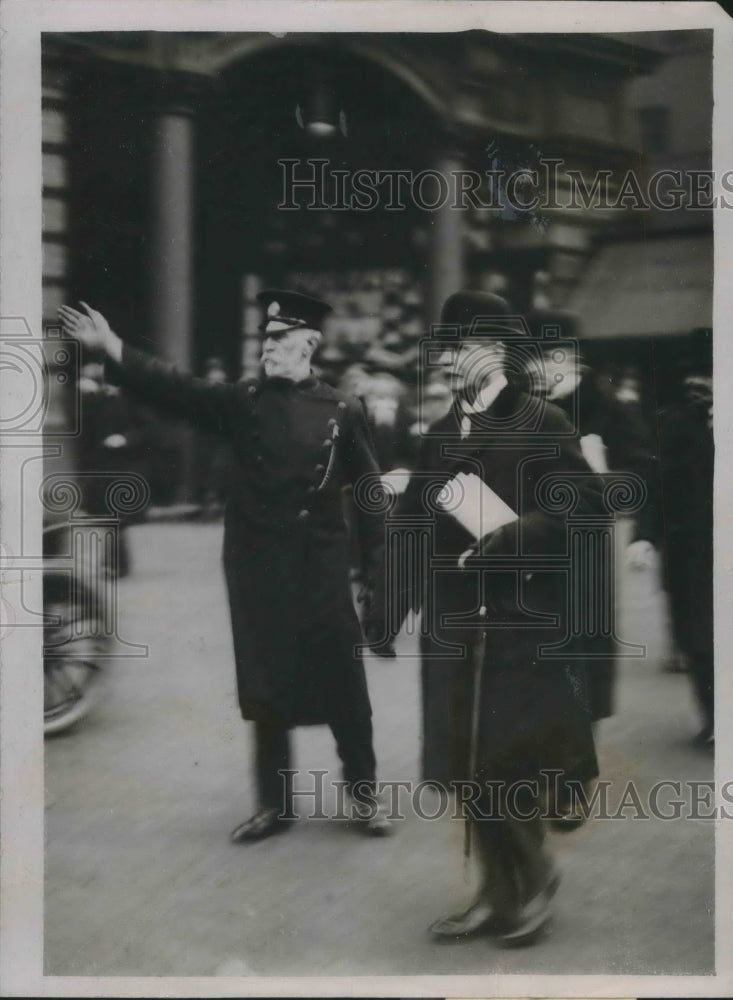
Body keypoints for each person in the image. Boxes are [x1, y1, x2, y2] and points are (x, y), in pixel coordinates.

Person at [58, 292, 394, 841]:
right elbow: (177, 389)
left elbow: (370, 493)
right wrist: (111, 346)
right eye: (265, 339)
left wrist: (378, 574)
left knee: (343, 682)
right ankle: (274, 804)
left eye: (279, 340)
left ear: (307, 344)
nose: (267, 349)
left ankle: (364, 794)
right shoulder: (245, 401)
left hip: (321, 566)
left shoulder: (343, 409)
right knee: (266, 679)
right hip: (259, 565)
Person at [379, 290, 602, 946]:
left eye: (465, 347)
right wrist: (384, 606)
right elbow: (414, 522)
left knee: (506, 763)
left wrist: (513, 537)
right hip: (454, 624)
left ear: (498, 353)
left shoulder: (545, 424)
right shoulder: (443, 431)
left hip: (521, 622)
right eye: (449, 348)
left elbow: (582, 510)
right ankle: (492, 890)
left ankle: (529, 883)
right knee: (465, 762)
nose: (452, 360)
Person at [525, 309, 659, 723]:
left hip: (586, 553)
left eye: (549, 360)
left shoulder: (611, 410)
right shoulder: (523, 411)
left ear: (571, 360)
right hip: (529, 547)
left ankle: (577, 764)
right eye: (533, 362)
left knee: (582, 651)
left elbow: (640, 475)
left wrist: (602, 473)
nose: (541, 372)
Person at [655, 361, 714, 748]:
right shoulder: (677, 426)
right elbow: (661, 485)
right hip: (692, 550)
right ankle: (713, 719)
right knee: (700, 641)